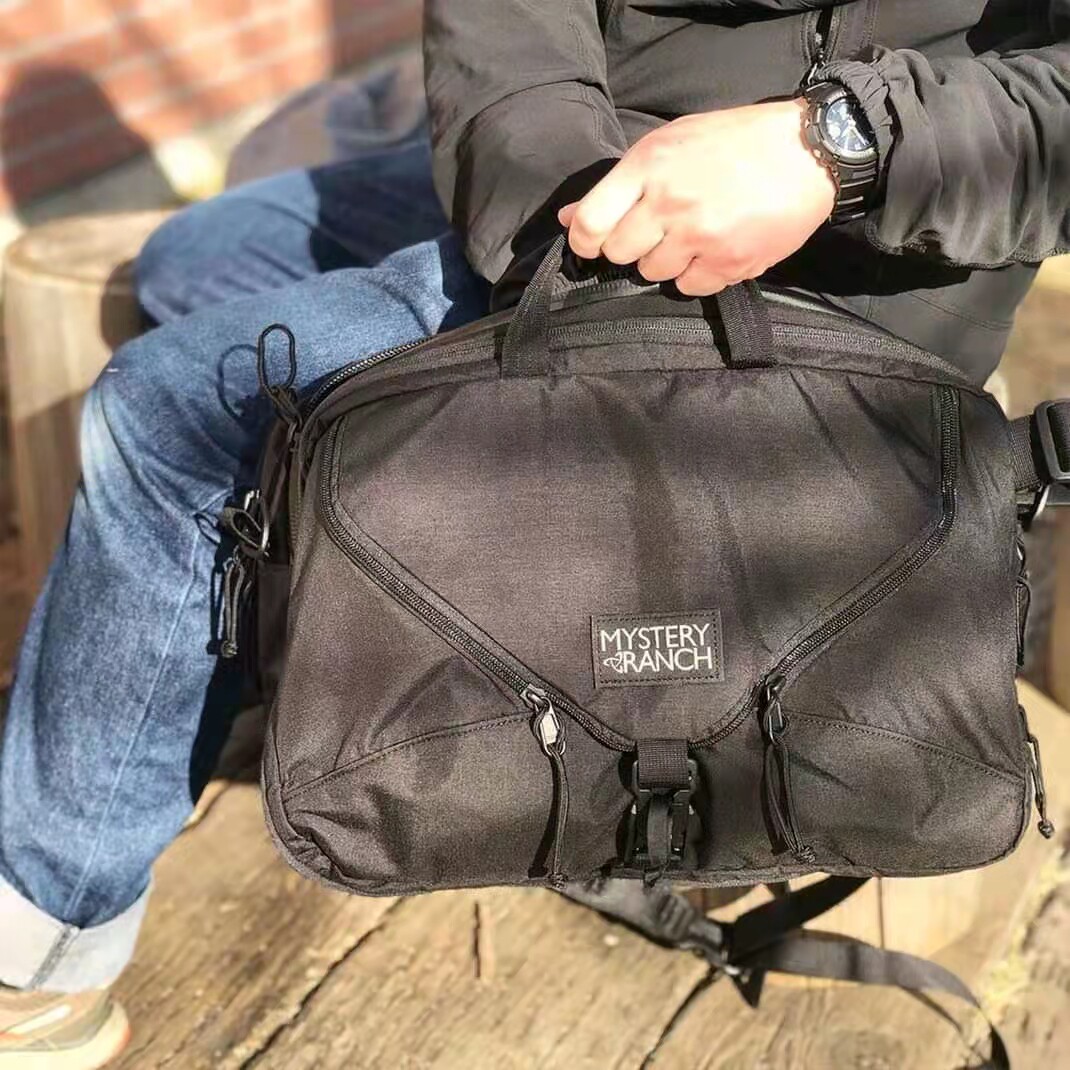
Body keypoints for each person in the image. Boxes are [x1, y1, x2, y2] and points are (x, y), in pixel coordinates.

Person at [2, 2, 1068, 1065]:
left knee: (164, 416)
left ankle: (42, 958)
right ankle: (298, 625)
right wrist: (577, 220)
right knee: (194, 256)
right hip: (599, 188)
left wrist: (840, 143)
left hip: (869, 248)